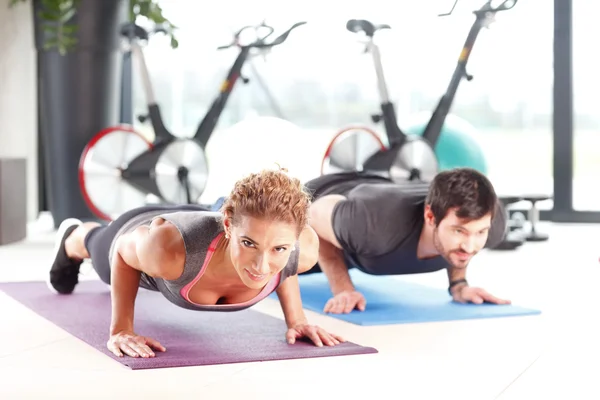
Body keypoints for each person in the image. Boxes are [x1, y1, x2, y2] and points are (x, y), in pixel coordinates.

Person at [48, 168, 345, 358]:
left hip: (207, 216)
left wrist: (298, 321)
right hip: (147, 230)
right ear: (229, 227)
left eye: (279, 248)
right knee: (98, 251)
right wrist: (121, 329)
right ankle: (75, 236)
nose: (262, 265)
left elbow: (285, 267)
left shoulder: (301, 250)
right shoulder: (169, 252)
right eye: (248, 244)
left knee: (266, 246)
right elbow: (125, 254)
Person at [303, 167, 510, 314]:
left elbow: (467, 236)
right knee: (293, 264)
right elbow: (311, 215)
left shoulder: (493, 223)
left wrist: (459, 284)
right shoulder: (374, 224)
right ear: (430, 217)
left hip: (376, 198)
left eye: (480, 233)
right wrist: (343, 289)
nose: (470, 246)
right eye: (459, 231)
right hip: (317, 202)